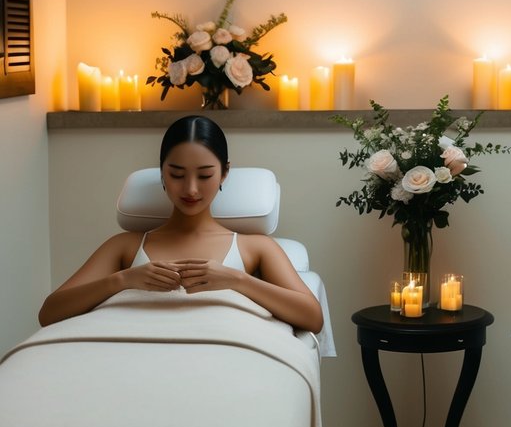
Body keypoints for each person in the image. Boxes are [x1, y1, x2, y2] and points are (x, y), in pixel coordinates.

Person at [39, 115, 324, 332]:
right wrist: (124, 280)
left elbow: (312, 316)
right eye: (176, 174)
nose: (190, 189)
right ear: (162, 172)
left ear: (224, 173)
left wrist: (237, 280)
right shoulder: (126, 245)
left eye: (204, 175)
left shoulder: (255, 246)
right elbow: (50, 312)